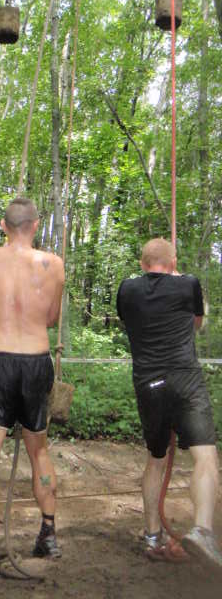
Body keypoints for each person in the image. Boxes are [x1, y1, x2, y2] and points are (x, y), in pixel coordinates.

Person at [0, 197, 65, 586]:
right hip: (36, 362)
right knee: (39, 451)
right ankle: (48, 534)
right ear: (36, 226)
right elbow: (51, 318)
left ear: (3, 226)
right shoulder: (54, 264)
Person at [116, 238, 222, 569]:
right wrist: (180, 281)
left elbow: (131, 320)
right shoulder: (188, 284)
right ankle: (202, 530)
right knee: (205, 457)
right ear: (173, 262)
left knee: (155, 459)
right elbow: (197, 325)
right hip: (184, 380)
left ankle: (152, 536)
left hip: (149, 383)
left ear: (142, 262)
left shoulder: (127, 289)